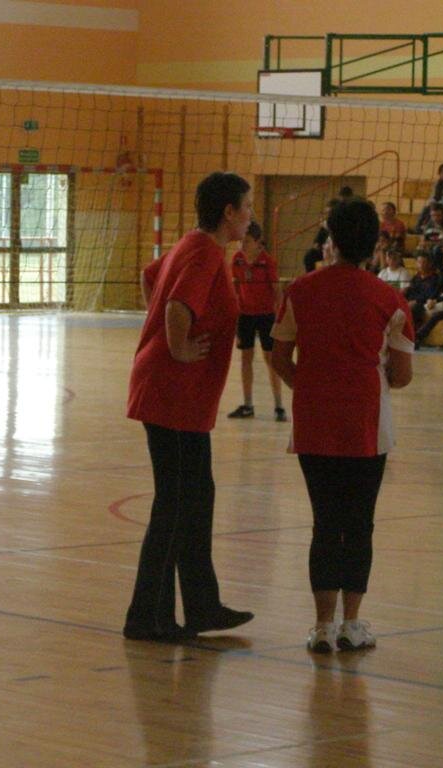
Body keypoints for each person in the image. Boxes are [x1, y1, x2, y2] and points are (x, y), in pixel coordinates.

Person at [271, 197, 414, 653]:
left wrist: (310, 386)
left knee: (324, 523)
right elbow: (403, 376)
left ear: (330, 240)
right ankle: (352, 624)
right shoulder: (389, 299)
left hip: (314, 423)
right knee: (359, 523)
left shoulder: (300, 290)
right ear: (373, 245)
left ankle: (321, 627)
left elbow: (279, 357)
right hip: (367, 424)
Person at [124, 171, 255, 643]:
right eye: (247, 206)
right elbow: (176, 305)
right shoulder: (203, 253)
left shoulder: (195, 244)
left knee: (197, 498)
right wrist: (175, 347)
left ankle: (202, 607)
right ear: (228, 212)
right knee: (176, 504)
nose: (251, 215)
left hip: (181, 396)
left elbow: (150, 277)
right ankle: (147, 618)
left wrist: (164, 340)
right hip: (172, 394)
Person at [227, 221, 285, 422]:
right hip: (245, 316)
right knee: (246, 359)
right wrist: (236, 319)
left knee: (271, 360)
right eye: (241, 241)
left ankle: (279, 406)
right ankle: (248, 405)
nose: (242, 244)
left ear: (258, 242)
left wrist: (279, 320)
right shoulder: (236, 260)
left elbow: (277, 292)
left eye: (247, 241)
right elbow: (235, 289)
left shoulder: (267, 262)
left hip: (266, 315)